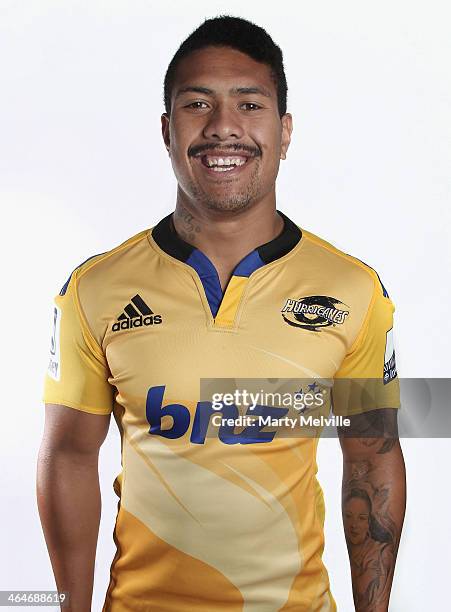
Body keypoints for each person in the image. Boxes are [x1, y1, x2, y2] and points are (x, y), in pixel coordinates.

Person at [37, 16, 406, 612]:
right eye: (197, 104)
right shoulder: (93, 289)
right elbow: (70, 456)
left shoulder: (354, 290)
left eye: (250, 104)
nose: (224, 127)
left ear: (285, 131)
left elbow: (371, 456)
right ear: (167, 128)